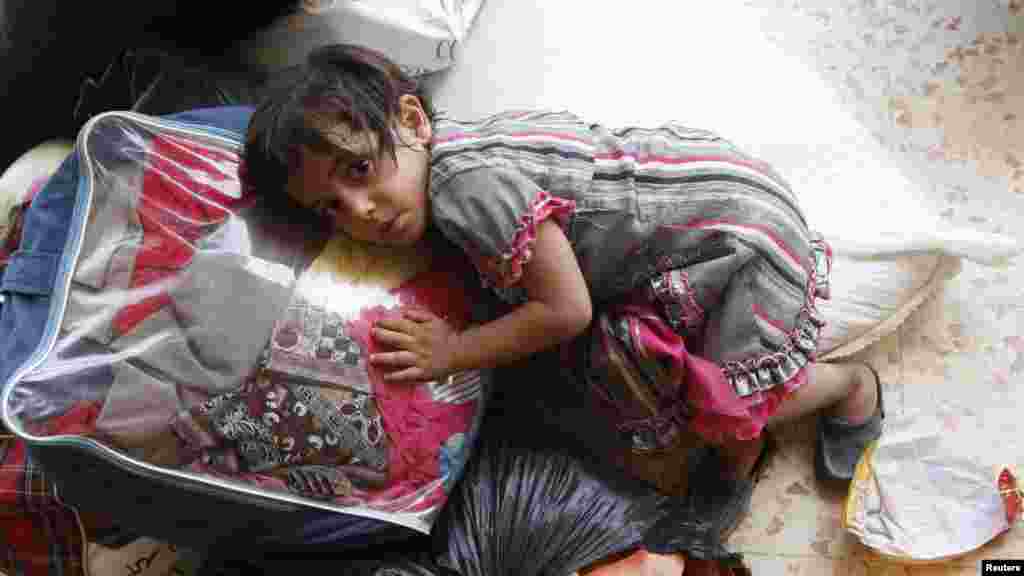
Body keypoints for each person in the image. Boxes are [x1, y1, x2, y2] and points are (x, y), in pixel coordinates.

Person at [240, 43, 884, 538]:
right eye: (331, 208)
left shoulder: (468, 187)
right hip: (695, 206)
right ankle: (731, 458)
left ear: (412, 120)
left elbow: (566, 311)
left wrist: (454, 351)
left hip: (731, 238)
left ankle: (846, 388)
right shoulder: (447, 161)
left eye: (361, 170)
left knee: (731, 405)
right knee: (643, 371)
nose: (363, 212)